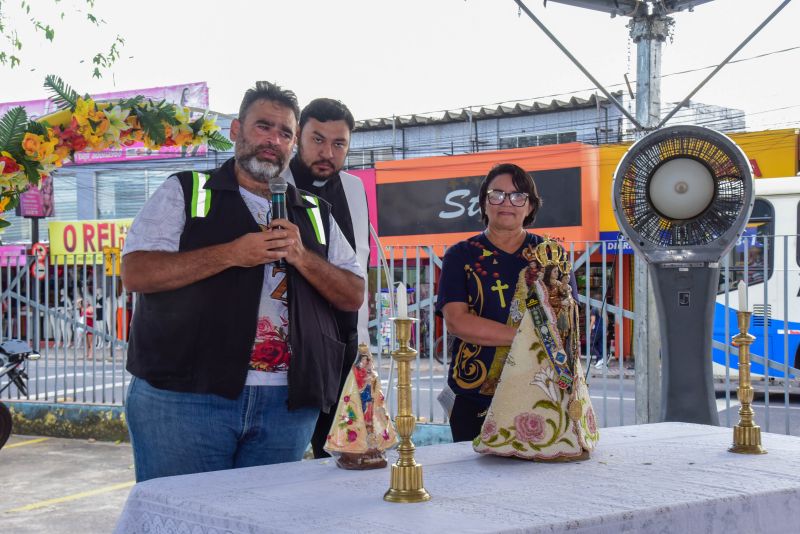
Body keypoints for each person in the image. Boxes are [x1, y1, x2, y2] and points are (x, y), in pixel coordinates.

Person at [121, 82, 365, 482]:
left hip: (286, 404)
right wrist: (232, 253)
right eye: (262, 127)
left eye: (285, 133)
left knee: (262, 521)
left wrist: (302, 256)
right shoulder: (186, 191)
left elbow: (353, 294)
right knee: (182, 521)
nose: (273, 140)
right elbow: (137, 273)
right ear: (236, 130)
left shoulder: (316, 212)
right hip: (184, 398)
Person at [436, 162, 576, 442]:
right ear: (484, 204)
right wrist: (527, 338)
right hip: (475, 395)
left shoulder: (550, 255)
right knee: (473, 477)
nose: (506, 203)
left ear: (530, 206)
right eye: (496, 194)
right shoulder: (460, 256)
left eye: (518, 196)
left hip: (541, 388)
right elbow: (457, 321)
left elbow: (567, 319)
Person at [281, 98, 370, 459]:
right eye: (317, 139)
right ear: (298, 136)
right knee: (278, 464)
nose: (327, 152)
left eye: (339, 144)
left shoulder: (354, 189)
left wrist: (363, 345)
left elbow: (360, 267)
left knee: (350, 457)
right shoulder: (270, 184)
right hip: (291, 345)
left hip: (348, 345)